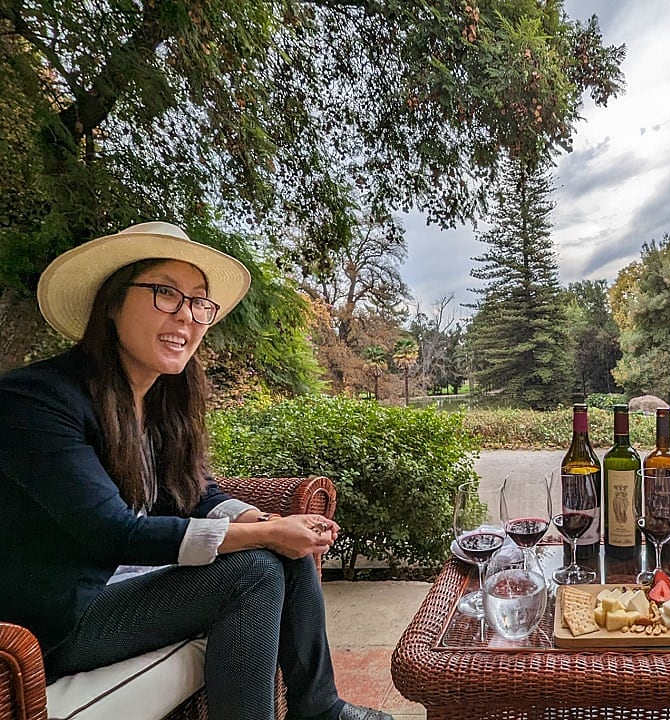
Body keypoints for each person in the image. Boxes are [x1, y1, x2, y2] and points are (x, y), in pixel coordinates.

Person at [0, 221, 393, 720]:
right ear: (112, 303)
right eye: (166, 293)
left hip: (129, 584)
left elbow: (194, 491)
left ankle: (320, 708)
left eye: (199, 303)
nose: (187, 316)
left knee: (276, 553)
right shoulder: (36, 400)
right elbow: (111, 533)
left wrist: (256, 520)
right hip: (54, 621)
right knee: (253, 570)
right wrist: (267, 533)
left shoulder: (157, 400)